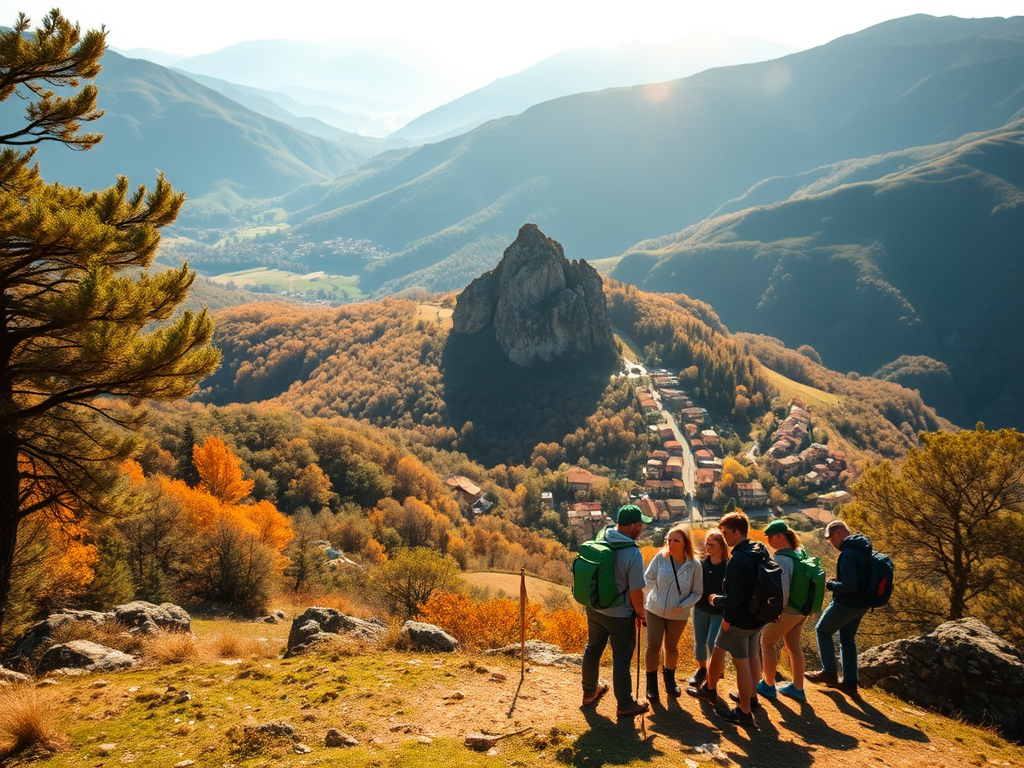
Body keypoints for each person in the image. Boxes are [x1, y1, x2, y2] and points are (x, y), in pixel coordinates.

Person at [686, 511, 771, 728]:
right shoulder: (759, 550)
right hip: (757, 618)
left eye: (725, 533)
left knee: (739, 663)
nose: (725, 538)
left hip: (738, 621)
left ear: (736, 532)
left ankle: (742, 711)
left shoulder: (737, 560)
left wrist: (717, 602)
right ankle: (750, 699)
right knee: (752, 657)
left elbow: (734, 597)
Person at [581, 504, 651, 718]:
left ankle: (589, 692)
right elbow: (636, 592)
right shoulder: (632, 553)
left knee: (593, 648)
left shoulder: (602, 538)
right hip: (619, 615)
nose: (642, 529)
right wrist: (641, 614)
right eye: (641, 525)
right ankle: (625, 705)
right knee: (621, 658)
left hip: (594, 607)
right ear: (633, 526)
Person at [807, 519, 871, 695]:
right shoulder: (863, 548)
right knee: (847, 639)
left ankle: (829, 673)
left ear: (837, 533)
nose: (833, 545)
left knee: (822, 630)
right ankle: (850, 683)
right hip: (862, 603)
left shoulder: (848, 553)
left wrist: (832, 585)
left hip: (848, 603)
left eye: (831, 540)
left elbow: (850, 586)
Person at [644, 523, 702, 702]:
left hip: (678, 615)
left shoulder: (694, 565)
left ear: (685, 542)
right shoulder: (661, 557)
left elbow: (697, 592)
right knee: (653, 647)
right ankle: (651, 684)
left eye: (676, 540)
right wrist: (641, 602)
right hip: (653, 609)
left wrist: (683, 606)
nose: (671, 543)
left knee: (671, 648)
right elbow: (648, 579)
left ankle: (669, 681)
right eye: (669, 540)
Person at [759, 519, 808, 702]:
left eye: (771, 537)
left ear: (780, 536)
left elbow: (783, 589)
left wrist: (775, 612)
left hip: (787, 611)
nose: (769, 541)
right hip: (801, 610)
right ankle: (797, 688)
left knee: (766, 643)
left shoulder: (781, 559)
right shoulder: (798, 554)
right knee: (793, 647)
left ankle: (769, 685)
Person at [688, 529, 728, 688]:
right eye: (706, 544)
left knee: (713, 643)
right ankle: (701, 670)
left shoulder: (728, 566)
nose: (708, 547)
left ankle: (715, 672)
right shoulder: (701, 564)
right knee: (699, 642)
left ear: (721, 546)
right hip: (701, 609)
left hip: (719, 613)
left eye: (712, 544)